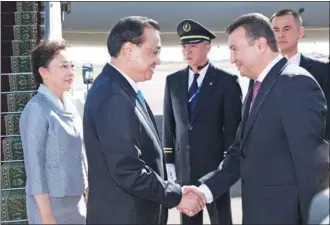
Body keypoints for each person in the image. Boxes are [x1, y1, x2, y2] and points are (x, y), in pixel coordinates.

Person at [181, 13, 329, 224]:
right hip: (258, 214)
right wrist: (204, 191)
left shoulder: (295, 83)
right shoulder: (257, 85)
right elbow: (241, 151)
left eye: (234, 49)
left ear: (260, 46)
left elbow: (311, 167)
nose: (231, 59)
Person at [82, 16, 205, 224]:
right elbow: (128, 170)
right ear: (129, 51)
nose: (158, 61)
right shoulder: (114, 96)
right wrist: (177, 195)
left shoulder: (120, 88)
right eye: (154, 52)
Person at [162, 19, 242, 225]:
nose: (187, 50)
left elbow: (233, 128)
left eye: (193, 45)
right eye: (184, 46)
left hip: (215, 169)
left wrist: (227, 162)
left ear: (208, 47)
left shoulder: (226, 82)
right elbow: (169, 124)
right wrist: (169, 160)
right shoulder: (173, 81)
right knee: (188, 219)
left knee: (221, 219)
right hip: (184, 169)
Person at [19, 40, 88, 224]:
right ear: (44, 72)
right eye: (64, 66)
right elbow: (34, 167)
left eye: (72, 66)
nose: (71, 72)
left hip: (76, 201)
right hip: (49, 204)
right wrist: (46, 216)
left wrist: (87, 190)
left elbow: (81, 153)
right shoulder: (36, 109)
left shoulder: (72, 105)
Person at [270, 8, 329, 141]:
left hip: (312, 151)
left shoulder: (323, 70)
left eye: (286, 29)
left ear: (300, 32)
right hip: (274, 154)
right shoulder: (261, 72)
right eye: (275, 30)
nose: (280, 35)